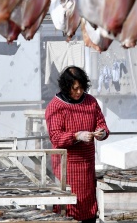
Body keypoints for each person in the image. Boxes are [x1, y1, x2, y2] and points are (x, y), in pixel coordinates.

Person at [45, 66, 109, 223]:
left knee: (87, 204)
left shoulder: (91, 102)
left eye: (81, 88)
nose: (79, 92)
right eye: (75, 89)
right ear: (67, 88)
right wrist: (76, 136)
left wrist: (101, 133)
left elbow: (102, 124)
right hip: (66, 166)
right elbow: (55, 137)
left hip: (87, 166)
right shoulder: (56, 106)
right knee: (67, 205)